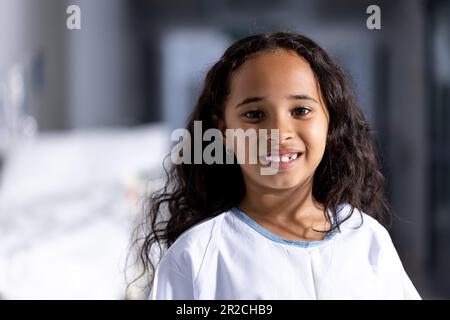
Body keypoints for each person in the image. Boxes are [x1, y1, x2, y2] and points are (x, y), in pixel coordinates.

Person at [137, 31, 421, 299]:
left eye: (301, 110)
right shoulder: (196, 255)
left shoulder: (366, 238)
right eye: (254, 114)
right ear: (223, 129)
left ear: (329, 120)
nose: (278, 132)